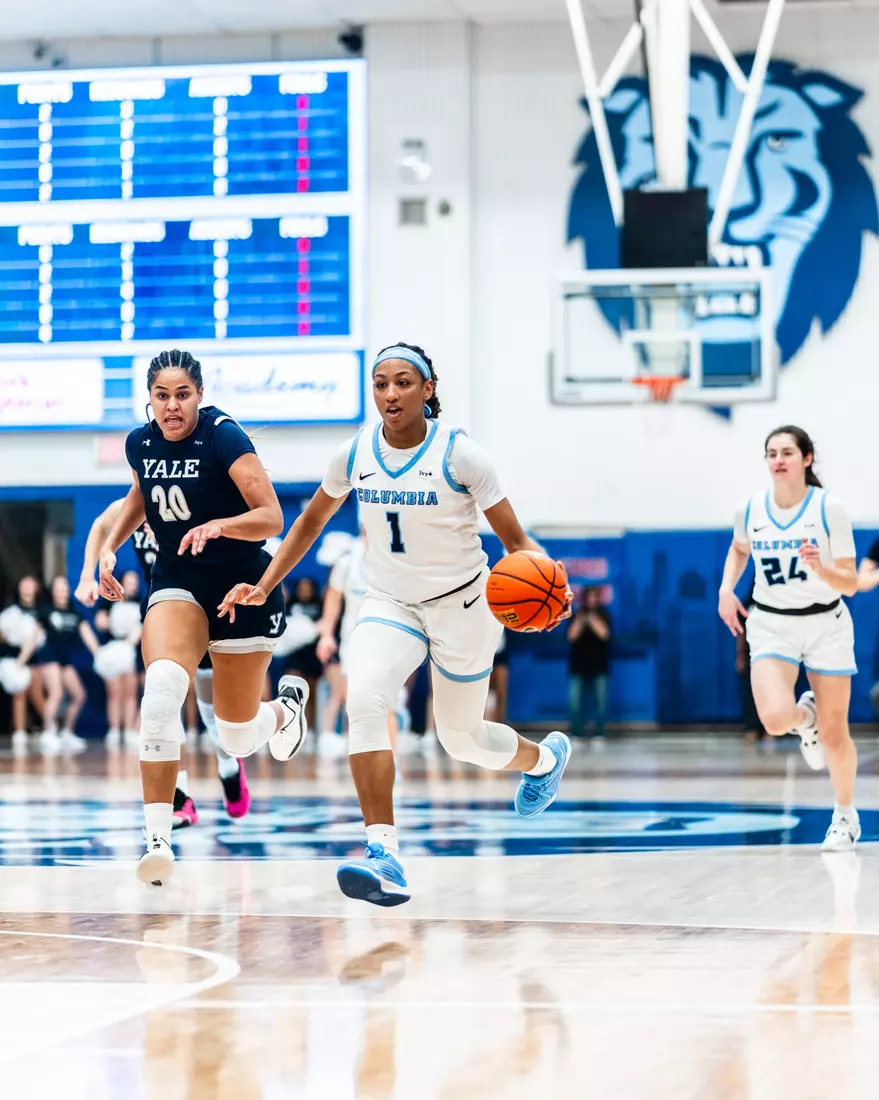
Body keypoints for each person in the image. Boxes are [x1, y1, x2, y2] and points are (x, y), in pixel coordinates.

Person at [219, 341, 574, 906]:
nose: (390, 393)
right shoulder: (355, 451)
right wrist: (264, 584)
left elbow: (515, 542)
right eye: (381, 382)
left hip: (463, 603)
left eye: (404, 382)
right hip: (390, 604)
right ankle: (383, 853)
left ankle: (545, 758)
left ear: (428, 390)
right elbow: (309, 523)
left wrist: (550, 584)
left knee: (460, 739)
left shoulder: (462, 455)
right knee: (364, 699)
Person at [97, 348, 309, 886]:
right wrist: (109, 547)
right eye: (162, 396)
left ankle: (285, 712)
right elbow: (141, 498)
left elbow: (271, 517)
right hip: (179, 582)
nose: (172, 406)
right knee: (163, 687)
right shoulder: (139, 443)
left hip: (243, 589)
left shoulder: (223, 436)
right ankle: (158, 839)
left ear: (199, 394)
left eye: (183, 394)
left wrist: (219, 526)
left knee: (235, 736)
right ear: (149, 400)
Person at [718, 425, 859, 851]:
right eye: (771, 453)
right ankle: (805, 718)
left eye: (787, 452)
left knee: (837, 735)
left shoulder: (828, 508)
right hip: (773, 622)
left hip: (825, 622)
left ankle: (844, 816)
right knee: (776, 720)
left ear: (806, 459)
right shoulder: (752, 509)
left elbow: (850, 582)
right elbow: (740, 548)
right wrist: (727, 589)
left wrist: (823, 570)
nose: (778, 460)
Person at [77, 495, 251, 828]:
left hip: (203, 605)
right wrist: (88, 575)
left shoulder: (189, 502)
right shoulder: (129, 506)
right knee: (162, 701)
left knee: (212, 708)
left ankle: (229, 764)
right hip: (161, 605)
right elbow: (101, 525)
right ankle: (180, 797)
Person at [37, 575, 100, 754]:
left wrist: (100, 655)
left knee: (79, 695)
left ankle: (66, 732)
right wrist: (21, 661)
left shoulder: (74, 613)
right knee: (56, 693)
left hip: (65, 659)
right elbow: (34, 637)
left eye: (64, 586)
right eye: (58, 587)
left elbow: (87, 635)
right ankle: (48, 732)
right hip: (49, 657)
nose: (62, 590)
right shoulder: (46, 611)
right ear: (52, 591)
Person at [567, 586, 611, 740]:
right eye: (589, 597)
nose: (592, 600)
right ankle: (577, 732)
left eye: (595, 597)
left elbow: (604, 634)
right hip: (578, 665)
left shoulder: (604, 613)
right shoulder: (576, 614)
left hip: (599, 664)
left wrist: (592, 618)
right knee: (575, 701)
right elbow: (571, 636)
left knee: (601, 700)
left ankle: (599, 732)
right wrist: (580, 619)